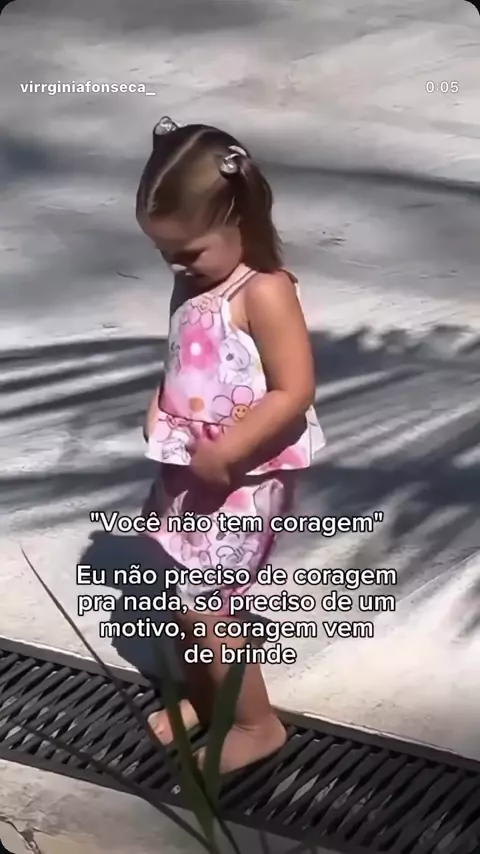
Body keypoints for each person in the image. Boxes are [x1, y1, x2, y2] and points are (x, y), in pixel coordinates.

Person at [137, 116, 325, 774]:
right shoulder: (192, 281)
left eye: (188, 251)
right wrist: (160, 402)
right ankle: (205, 696)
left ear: (239, 219)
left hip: (242, 477)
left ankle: (255, 724)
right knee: (178, 594)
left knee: (209, 608)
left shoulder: (263, 292)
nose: (176, 264)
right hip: (189, 468)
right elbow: (184, 355)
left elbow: (293, 389)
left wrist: (229, 450)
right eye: (164, 252)